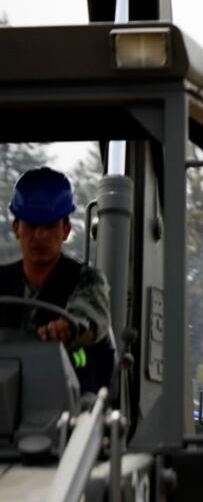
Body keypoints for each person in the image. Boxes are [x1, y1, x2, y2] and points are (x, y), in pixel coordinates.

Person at [0, 167, 111, 393]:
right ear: (16, 228)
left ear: (66, 230)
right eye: (31, 225)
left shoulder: (87, 280)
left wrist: (70, 327)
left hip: (69, 405)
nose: (40, 235)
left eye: (50, 226)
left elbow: (89, 316)